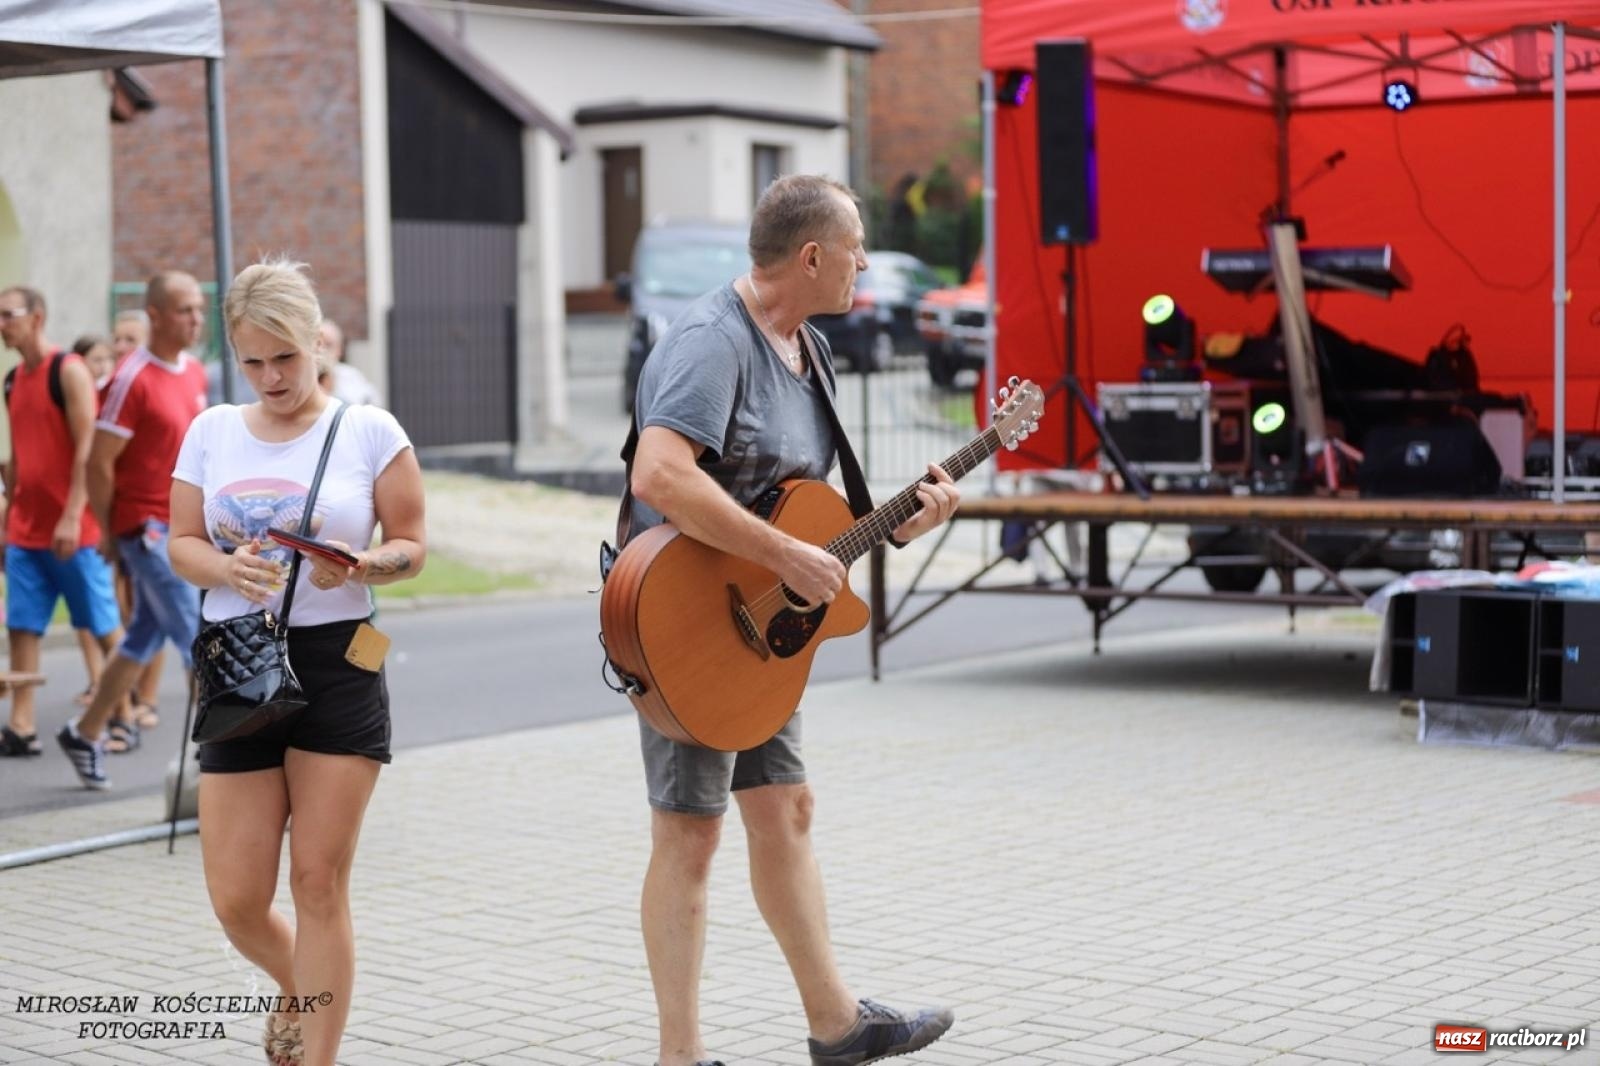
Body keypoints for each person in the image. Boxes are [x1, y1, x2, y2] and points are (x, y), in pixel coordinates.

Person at [623, 174, 961, 1066]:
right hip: (685, 624)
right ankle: (680, 1057)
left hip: (763, 631)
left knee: (786, 809)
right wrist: (781, 557)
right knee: (690, 832)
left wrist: (898, 521)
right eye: (855, 249)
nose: (864, 266)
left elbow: (807, 515)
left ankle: (836, 1024)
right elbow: (659, 475)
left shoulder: (809, 348)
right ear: (811, 257)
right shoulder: (712, 342)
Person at [169, 258, 425, 1066]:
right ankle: (297, 984)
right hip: (238, 663)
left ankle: (319, 1055)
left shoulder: (369, 430)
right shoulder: (211, 430)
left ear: (318, 339)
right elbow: (181, 544)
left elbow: (413, 545)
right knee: (237, 900)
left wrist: (364, 564)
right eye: (253, 361)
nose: (272, 376)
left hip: (337, 664)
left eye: (285, 356)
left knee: (317, 882)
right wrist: (225, 568)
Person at [57, 271, 210, 787]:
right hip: (145, 529)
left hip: (181, 524)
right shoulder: (132, 378)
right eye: (186, 310)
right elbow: (98, 463)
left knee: (144, 633)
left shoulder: (194, 372)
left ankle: (85, 731)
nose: (197, 319)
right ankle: (222, 760)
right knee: (200, 637)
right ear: (156, 316)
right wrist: (108, 532)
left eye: (199, 309)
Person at [0, 289, 126, 756]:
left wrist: (73, 514)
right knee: (22, 626)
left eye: (7, 315)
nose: (1, 324)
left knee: (103, 626)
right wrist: (7, 519)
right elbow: (17, 457)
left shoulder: (68, 370)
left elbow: (87, 448)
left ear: (37, 318)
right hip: (26, 528)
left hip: (74, 530)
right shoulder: (12, 380)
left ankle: (123, 715)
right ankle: (22, 726)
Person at [317, 319, 380, 406]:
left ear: (340, 350)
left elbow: (373, 402)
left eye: (328, 345)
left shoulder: (352, 377)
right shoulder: (306, 379)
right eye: (319, 344)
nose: (322, 350)